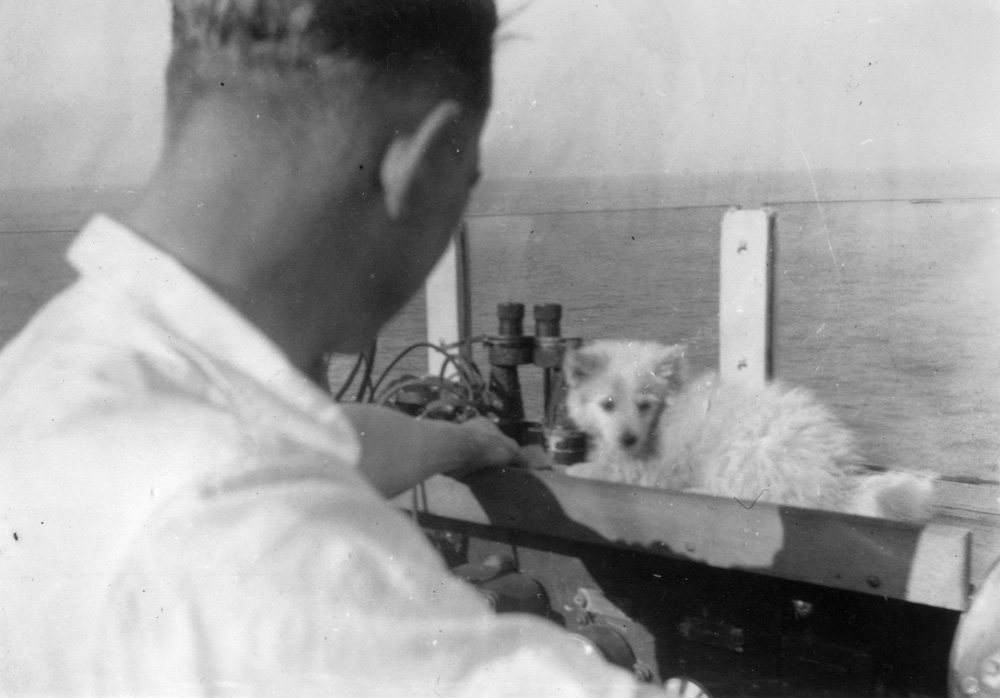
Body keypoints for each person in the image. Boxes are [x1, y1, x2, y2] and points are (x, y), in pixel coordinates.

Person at [0, 1, 691, 695]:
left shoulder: (47, 376)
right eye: (464, 187)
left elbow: (314, 441)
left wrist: (459, 443)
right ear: (419, 167)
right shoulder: (252, 534)